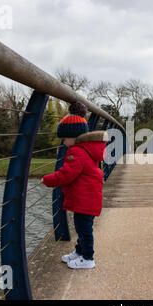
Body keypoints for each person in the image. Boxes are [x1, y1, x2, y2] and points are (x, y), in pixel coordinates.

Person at [41, 101, 108, 269]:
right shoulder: (86, 150)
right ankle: (79, 252)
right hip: (88, 197)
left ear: (75, 137)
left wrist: (48, 180)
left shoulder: (76, 153)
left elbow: (66, 175)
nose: (63, 142)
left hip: (84, 199)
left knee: (84, 229)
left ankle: (88, 258)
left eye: (65, 138)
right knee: (82, 227)